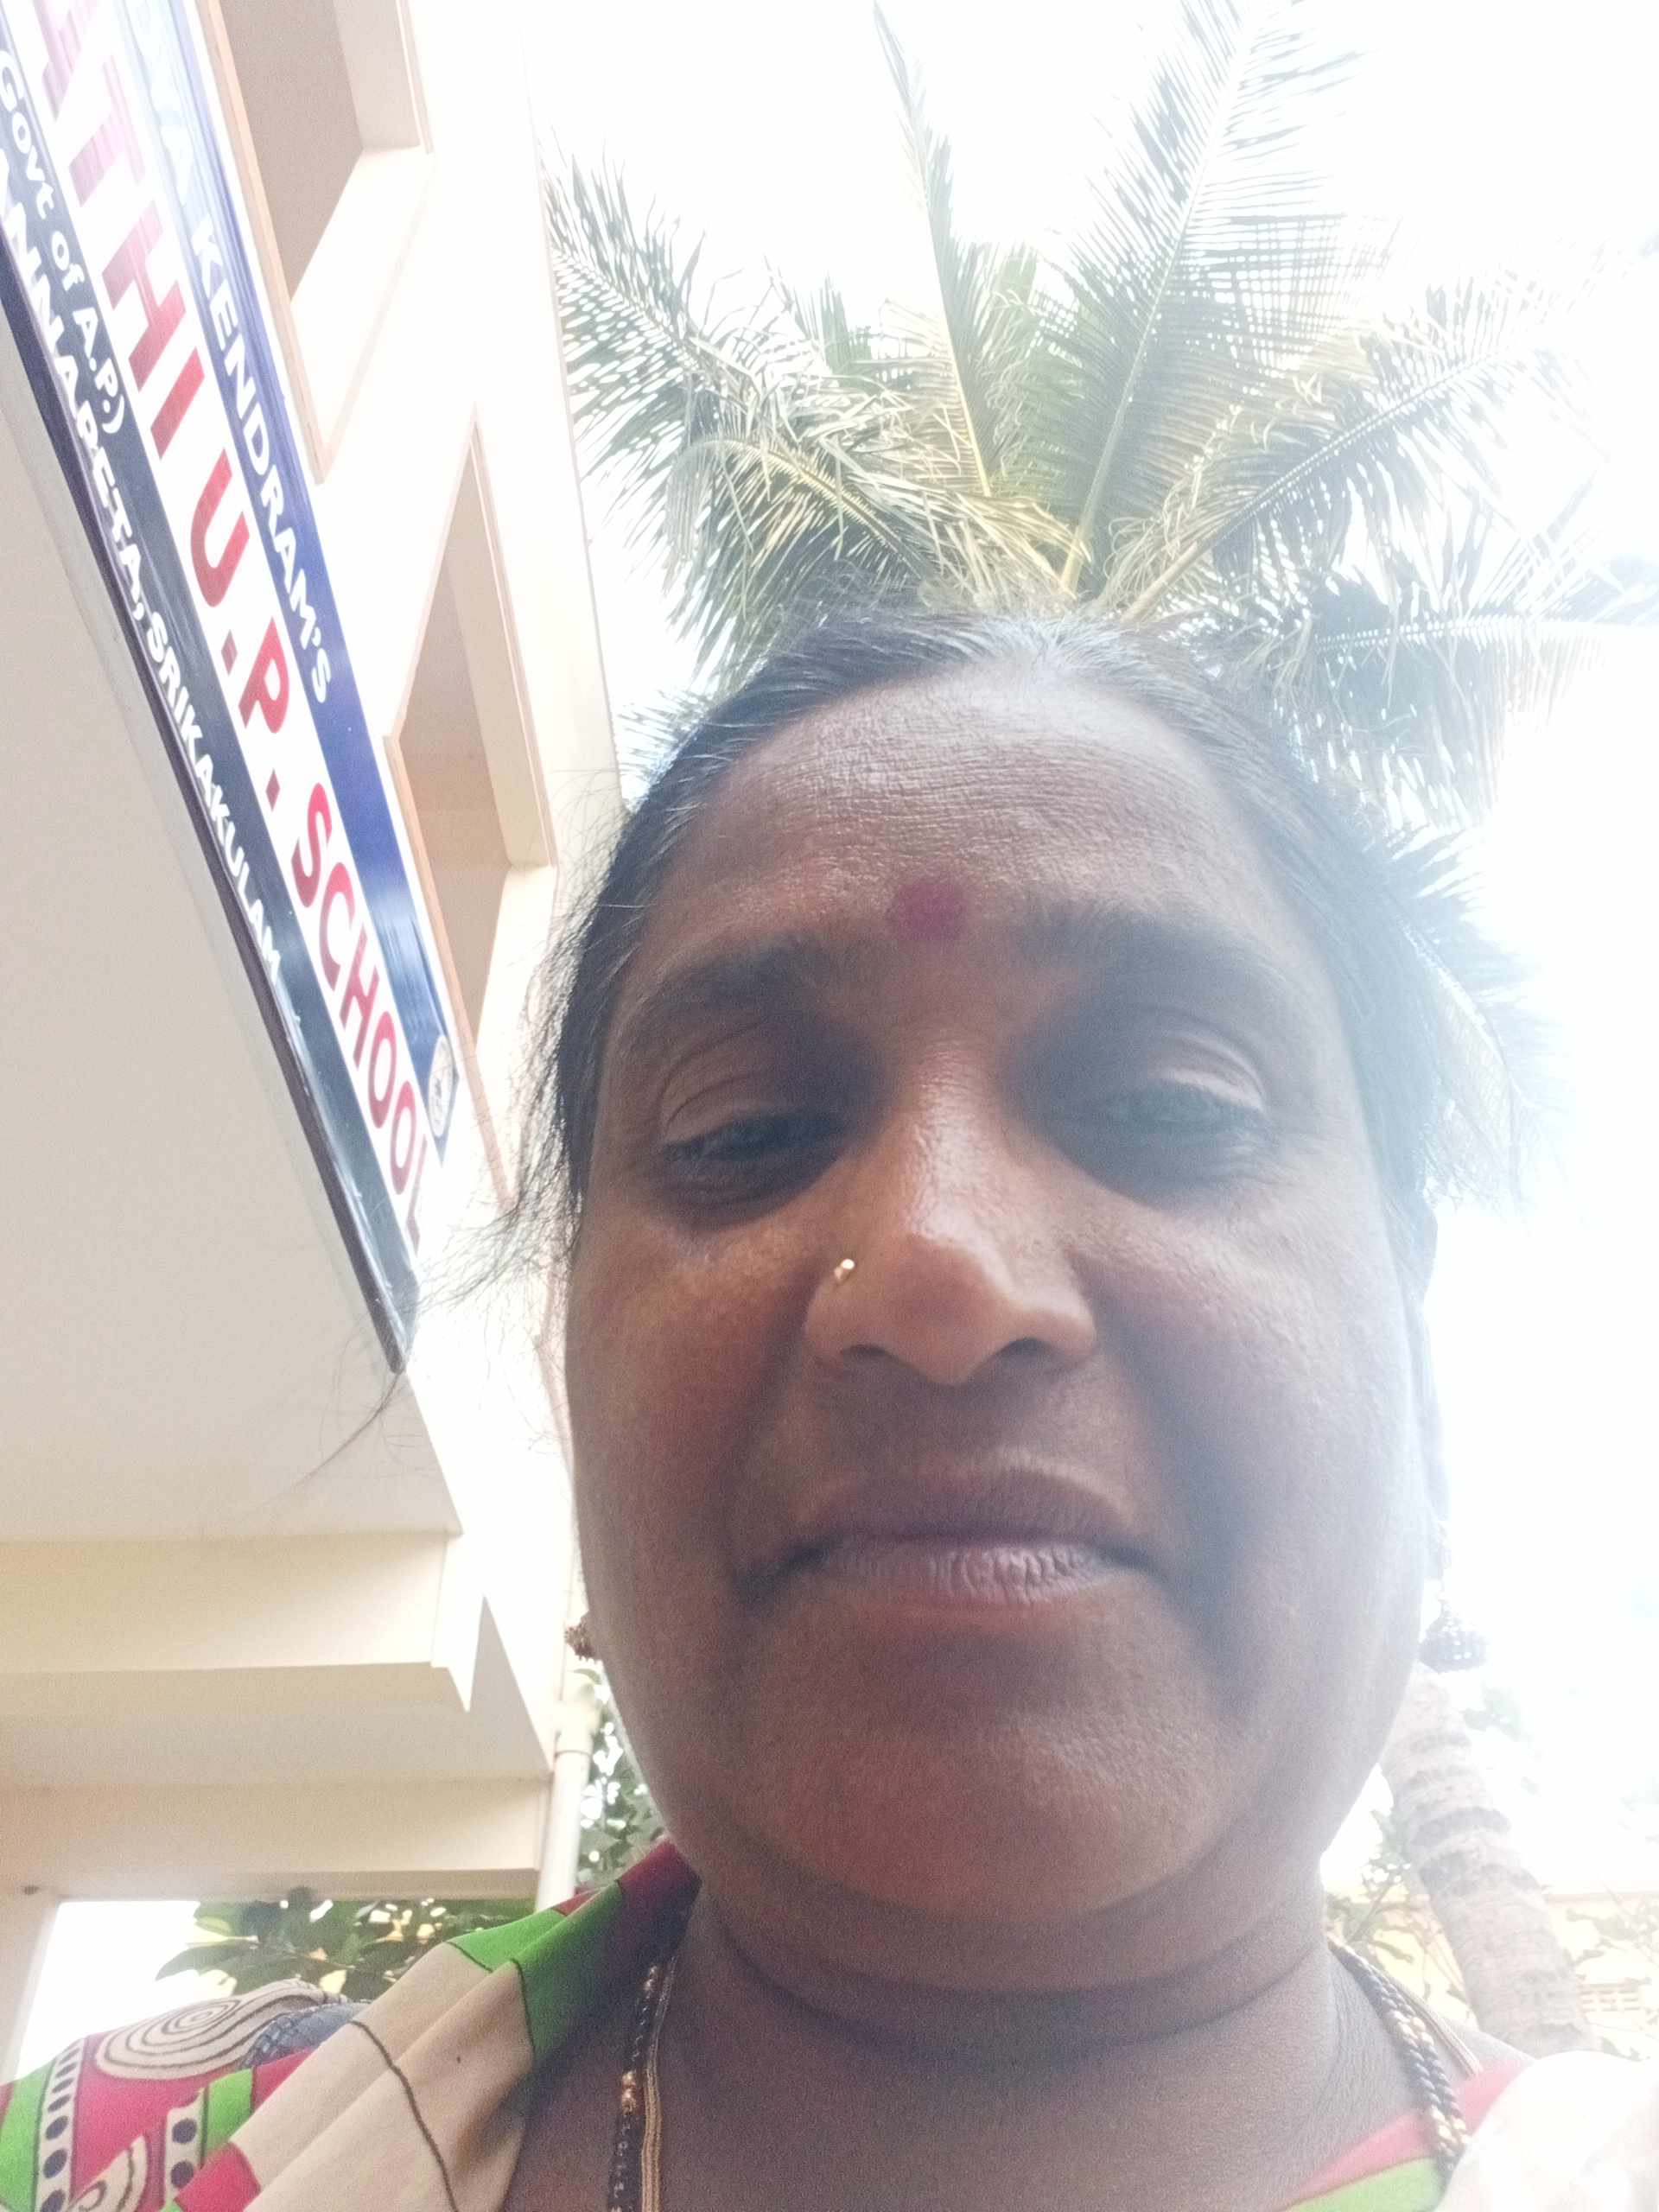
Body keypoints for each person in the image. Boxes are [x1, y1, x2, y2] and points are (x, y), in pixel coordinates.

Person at [4, 613, 1655, 2212]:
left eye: (1170, 1106)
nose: (938, 1262)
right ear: (573, 1402)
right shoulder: (123, 2169)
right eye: (742, 1129)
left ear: (1422, 1398)